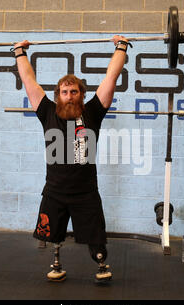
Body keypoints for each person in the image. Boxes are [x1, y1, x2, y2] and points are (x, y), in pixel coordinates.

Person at [13, 35, 130, 283]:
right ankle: (56, 263)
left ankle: (100, 261)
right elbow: (29, 80)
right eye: (64, 92)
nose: (69, 95)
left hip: (85, 192)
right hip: (54, 190)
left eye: (74, 91)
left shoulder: (93, 113)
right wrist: (19, 52)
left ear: (81, 95)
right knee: (52, 233)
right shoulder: (47, 112)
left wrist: (121, 47)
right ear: (58, 96)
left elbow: (111, 77)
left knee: (95, 235)